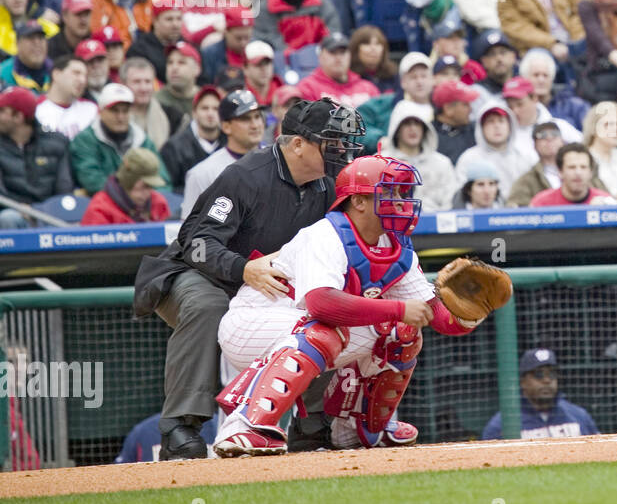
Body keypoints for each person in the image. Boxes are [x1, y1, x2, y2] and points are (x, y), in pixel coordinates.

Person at [132, 100, 365, 459]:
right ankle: (180, 426)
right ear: (298, 144)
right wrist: (243, 269)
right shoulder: (245, 176)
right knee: (209, 307)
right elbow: (196, 243)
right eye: (331, 142)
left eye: (343, 142)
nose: (342, 151)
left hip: (266, 282)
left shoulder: (329, 184)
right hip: (200, 274)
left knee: (323, 306)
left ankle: (311, 423)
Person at [211, 155, 489, 455]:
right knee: (326, 331)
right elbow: (321, 304)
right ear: (358, 201)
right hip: (251, 324)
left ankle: (357, 429)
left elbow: (438, 318)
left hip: (300, 330)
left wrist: (471, 312)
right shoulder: (324, 235)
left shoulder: (394, 245)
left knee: (402, 333)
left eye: (402, 193)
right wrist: (398, 309)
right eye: (389, 192)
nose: (400, 202)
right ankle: (245, 425)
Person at [180, 90, 267, 219]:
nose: (255, 125)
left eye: (257, 116)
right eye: (245, 119)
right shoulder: (202, 174)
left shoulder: (280, 161)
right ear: (226, 126)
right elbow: (189, 227)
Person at [70, 83, 169, 194]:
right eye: (114, 111)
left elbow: (163, 181)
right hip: (103, 201)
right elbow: (91, 180)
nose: (120, 117)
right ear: (101, 111)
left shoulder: (142, 140)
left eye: (125, 111)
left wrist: (149, 198)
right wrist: (129, 196)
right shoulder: (85, 140)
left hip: (144, 200)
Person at [481, 347, 600, 439]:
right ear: (523, 381)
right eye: (539, 374)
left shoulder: (579, 416)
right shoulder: (501, 425)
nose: (547, 380)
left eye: (552, 374)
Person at [0, 86, 74, 228]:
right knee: (8, 218)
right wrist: (21, 208)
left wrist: (39, 210)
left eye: (2, 111)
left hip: (49, 213)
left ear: (19, 117)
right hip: (13, 211)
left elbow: (64, 188)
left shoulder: (56, 143)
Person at [380, 100, 457, 211]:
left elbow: (450, 202)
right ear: (396, 129)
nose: (413, 128)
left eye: (417, 123)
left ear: (424, 128)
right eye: (407, 124)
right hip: (393, 220)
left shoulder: (442, 163)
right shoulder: (382, 162)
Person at [81, 147, 171, 225]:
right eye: (145, 185)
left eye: (152, 186)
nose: (148, 193)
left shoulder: (159, 203)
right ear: (129, 180)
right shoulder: (100, 209)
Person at [160, 85, 224, 189]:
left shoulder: (231, 143)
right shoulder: (174, 148)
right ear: (194, 112)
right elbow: (167, 189)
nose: (210, 113)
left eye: (216, 109)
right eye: (204, 108)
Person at [528, 142, 615, 206]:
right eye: (572, 167)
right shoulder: (541, 203)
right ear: (560, 172)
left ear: (591, 172)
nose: (578, 173)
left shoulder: (605, 202)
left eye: (583, 167)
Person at [36, 55, 96, 140]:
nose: (82, 80)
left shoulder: (92, 109)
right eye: (76, 73)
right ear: (56, 74)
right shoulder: (36, 109)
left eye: (85, 76)